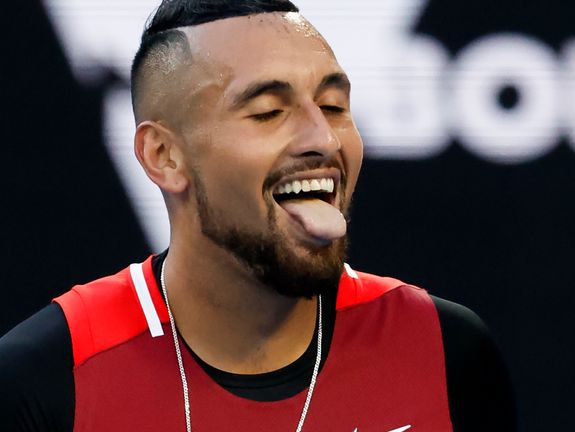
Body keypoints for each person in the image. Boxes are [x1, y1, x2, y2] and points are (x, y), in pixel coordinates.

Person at [0, 0, 514, 430]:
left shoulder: (446, 351)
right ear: (163, 156)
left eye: (334, 106)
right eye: (268, 112)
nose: (323, 140)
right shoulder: (45, 378)